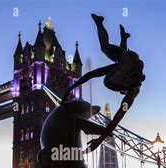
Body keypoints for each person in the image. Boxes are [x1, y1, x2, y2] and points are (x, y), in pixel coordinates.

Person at [61, 13, 145, 152]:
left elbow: (92, 74)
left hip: (128, 61)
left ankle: (104, 26)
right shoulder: (131, 89)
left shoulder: (126, 79)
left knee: (106, 48)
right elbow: (116, 119)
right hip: (128, 62)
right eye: (121, 90)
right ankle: (102, 24)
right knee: (106, 49)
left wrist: (70, 89)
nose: (120, 92)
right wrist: (69, 89)